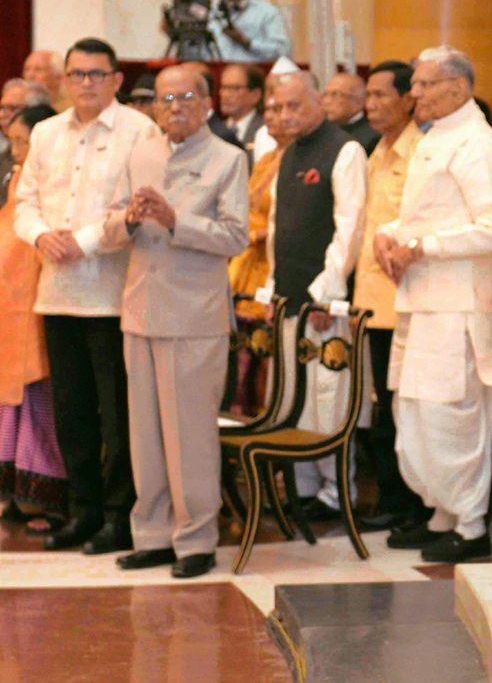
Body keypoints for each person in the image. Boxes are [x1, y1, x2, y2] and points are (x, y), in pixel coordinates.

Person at [102, 64, 249, 579]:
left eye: (186, 97)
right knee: (144, 434)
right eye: (165, 100)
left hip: (194, 315)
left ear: (207, 103)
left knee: (189, 434)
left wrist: (174, 220)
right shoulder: (140, 153)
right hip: (140, 308)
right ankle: (153, 535)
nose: (175, 108)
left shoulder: (228, 159)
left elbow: (235, 237)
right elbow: (108, 225)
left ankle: (195, 541)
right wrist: (128, 220)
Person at [14, 38, 159, 553]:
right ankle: (83, 510)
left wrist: (88, 241)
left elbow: (139, 210)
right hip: (56, 294)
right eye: (77, 75)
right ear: (65, 80)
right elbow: (25, 202)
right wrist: (39, 235)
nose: (86, 84)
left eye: (97, 74)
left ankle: (120, 517)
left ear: (117, 79)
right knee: (71, 411)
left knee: (116, 413)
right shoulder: (48, 132)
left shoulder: (140, 130)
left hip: (114, 296)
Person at [374, 46, 492, 563]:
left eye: (425, 85)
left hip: (458, 310)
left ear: (457, 88)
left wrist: (421, 248)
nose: (414, 94)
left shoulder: (476, 143)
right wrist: (388, 237)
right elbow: (421, 217)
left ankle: (472, 524)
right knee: (416, 418)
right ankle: (442, 515)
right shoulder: (436, 139)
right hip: (422, 304)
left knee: (452, 417)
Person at [266, 71, 368, 520]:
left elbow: (350, 227)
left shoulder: (345, 150)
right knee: (293, 397)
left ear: (319, 103)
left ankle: (334, 491)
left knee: (329, 398)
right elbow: (276, 228)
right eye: (280, 107)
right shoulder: (286, 154)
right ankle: (302, 489)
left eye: (295, 106)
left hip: (324, 301)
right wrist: (270, 288)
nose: (286, 115)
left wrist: (329, 293)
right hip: (288, 294)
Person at [351, 60, 430, 532]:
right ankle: (391, 498)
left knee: (406, 410)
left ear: (408, 99)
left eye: (382, 95)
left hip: (404, 302)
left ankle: (416, 504)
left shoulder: (421, 152)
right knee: (381, 408)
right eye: (369, 95)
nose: (372, 104)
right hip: (371, 302)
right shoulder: (374, 150)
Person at [0, 104, 67, 533]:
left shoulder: (49, 175)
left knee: (41, 406)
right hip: (10, 304)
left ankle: (44, 500)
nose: (18, 148)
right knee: (10, 406)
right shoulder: (17, 175)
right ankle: (15, 495)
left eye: (24, 141)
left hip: (41, 304)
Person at [227, 85, 291, 415]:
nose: (271, 117)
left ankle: (264, 435)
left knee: (264, 358)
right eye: (268, 110)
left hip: (268, 264)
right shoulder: (266, 159)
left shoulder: (296, 159)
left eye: (279, 109)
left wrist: (261, 233)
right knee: (238, 355)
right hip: (243, 265)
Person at [0, 80, 51, 207]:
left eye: (12, 108)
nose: (2, 115)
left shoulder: (52, 159)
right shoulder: (4, 157)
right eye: (1, 108)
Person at [323, 71, 381, 154]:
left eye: (335, 94)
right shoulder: (325, 132)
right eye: (326, 94)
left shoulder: (372, 137)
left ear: (358, 102)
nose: (326, 101)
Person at [219, 64, 266, 153]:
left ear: (255, 95)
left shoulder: (266, 130)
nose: (226, 95)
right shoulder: (214, 130)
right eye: (223, 88)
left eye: (235, 88)